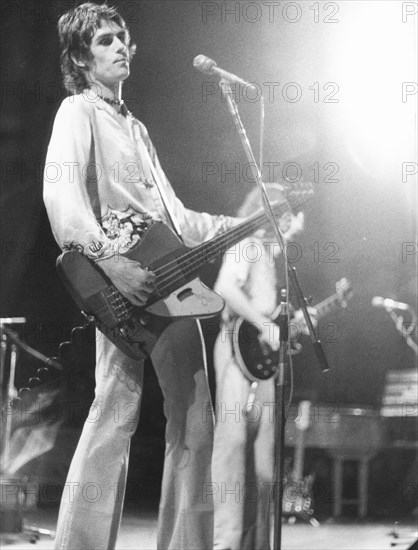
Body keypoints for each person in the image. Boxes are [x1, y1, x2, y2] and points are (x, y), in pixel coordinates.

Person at [43, 3, 237, 549]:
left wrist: (243, 220)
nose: (122, 46)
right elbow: (62, 200)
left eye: (123, 37)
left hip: (169, 279)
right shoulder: (76, 112)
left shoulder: (138, 127)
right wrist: (111, 262)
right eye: (106, 40)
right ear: (82, 57)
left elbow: (179, 218)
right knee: (114, 415)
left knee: (196, 415)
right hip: (121, 284)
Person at [211, 184, 311, 550]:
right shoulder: (248, 243)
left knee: (266, 461)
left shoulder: (271, 256)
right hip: (235, 353)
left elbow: (268, 318)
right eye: (287, 217)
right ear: (273, 214)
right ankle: (226, 541)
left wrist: (288, 324)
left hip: (262, 363)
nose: (293, 226)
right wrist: (265, 323)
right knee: (233, 443)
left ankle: (258, 544)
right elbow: (225, 287)